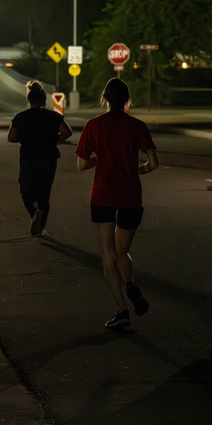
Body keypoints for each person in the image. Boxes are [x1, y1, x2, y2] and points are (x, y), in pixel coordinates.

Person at [75, 78, 160, 329]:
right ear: (127, 99)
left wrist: (99, 159)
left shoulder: (93, 126)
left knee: (107, 255)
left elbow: (81, 164)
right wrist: (137, 171)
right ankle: (131, 285)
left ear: (105, 98)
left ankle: (122, 310)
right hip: (130, 196)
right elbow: (153, 163)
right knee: (122, 251)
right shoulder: (138, 126)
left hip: (102, 195)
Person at [7, 80, 73, 236]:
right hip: (49, 158)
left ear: (29, 100)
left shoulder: (21, 117)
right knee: (44, 193)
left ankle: (33, 211)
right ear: (44, 100)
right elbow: (67, 132)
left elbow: (11, 137)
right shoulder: (53, 116)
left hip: (28, 158)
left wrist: (26, 137)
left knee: (26, 191)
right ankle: (40, 227)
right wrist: (54, 138)